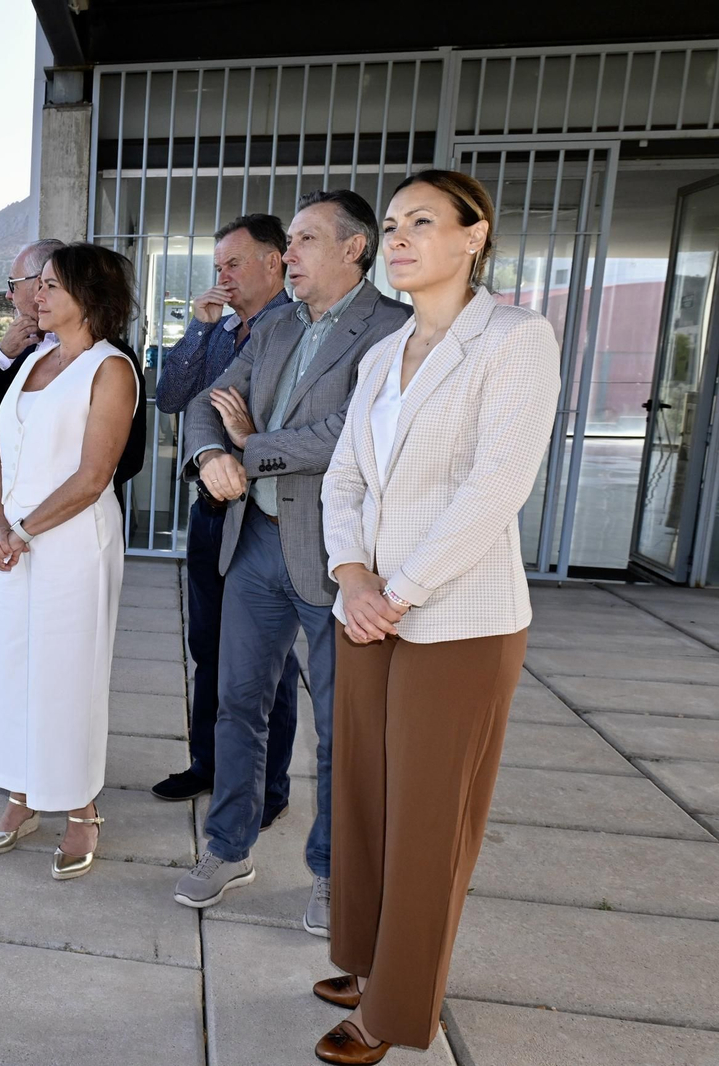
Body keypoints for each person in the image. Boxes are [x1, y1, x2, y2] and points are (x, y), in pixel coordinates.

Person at [311, 171, 559, 1064]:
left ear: (474, 235)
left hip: (458, 618)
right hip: (369, 604)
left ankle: (395, 1008)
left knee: (428, 818)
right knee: (367, 798)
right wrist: (350, 572)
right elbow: (344, 476)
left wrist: (397, 590)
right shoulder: (384, 352)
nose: (401, 236)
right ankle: (374, 959)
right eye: (391, 223)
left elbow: (495, 486)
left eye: (422, 220)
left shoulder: (515, 339)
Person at [170, 191, 410, 936]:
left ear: (355, 248)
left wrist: (253, 447)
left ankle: (334, 874)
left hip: (345, 559)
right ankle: (228, 848)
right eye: (292, 239)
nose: (291, 254)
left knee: (342, 727)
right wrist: (212, 450)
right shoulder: (276, 325)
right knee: (237, 705)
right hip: (256, 545)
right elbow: (210, 401)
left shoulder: (393, 332)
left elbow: (353, 435)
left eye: (306, 239)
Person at [0, 239, 150, 784]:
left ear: (86, 295)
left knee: (68, 675)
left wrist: (24, 527)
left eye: (47, 285)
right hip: (15, 540)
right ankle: (19, 789)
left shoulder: (114, 366)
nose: (33, 296)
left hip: (71, 539)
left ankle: (78, 802)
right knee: (14, 663)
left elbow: (101, 471)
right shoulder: (33, 357)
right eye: (32, 286)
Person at [152, 213, 302, 832]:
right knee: (209, 646)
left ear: (274, 262)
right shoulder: (219, 330)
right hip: (213, 509)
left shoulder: (297, 330)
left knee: (268, 661)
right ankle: (210, 765)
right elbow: (171, 397)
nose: (223, 277)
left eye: (233, 264)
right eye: (218, 267)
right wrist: (198, 329)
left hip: (268, 516)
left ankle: (268, 784)